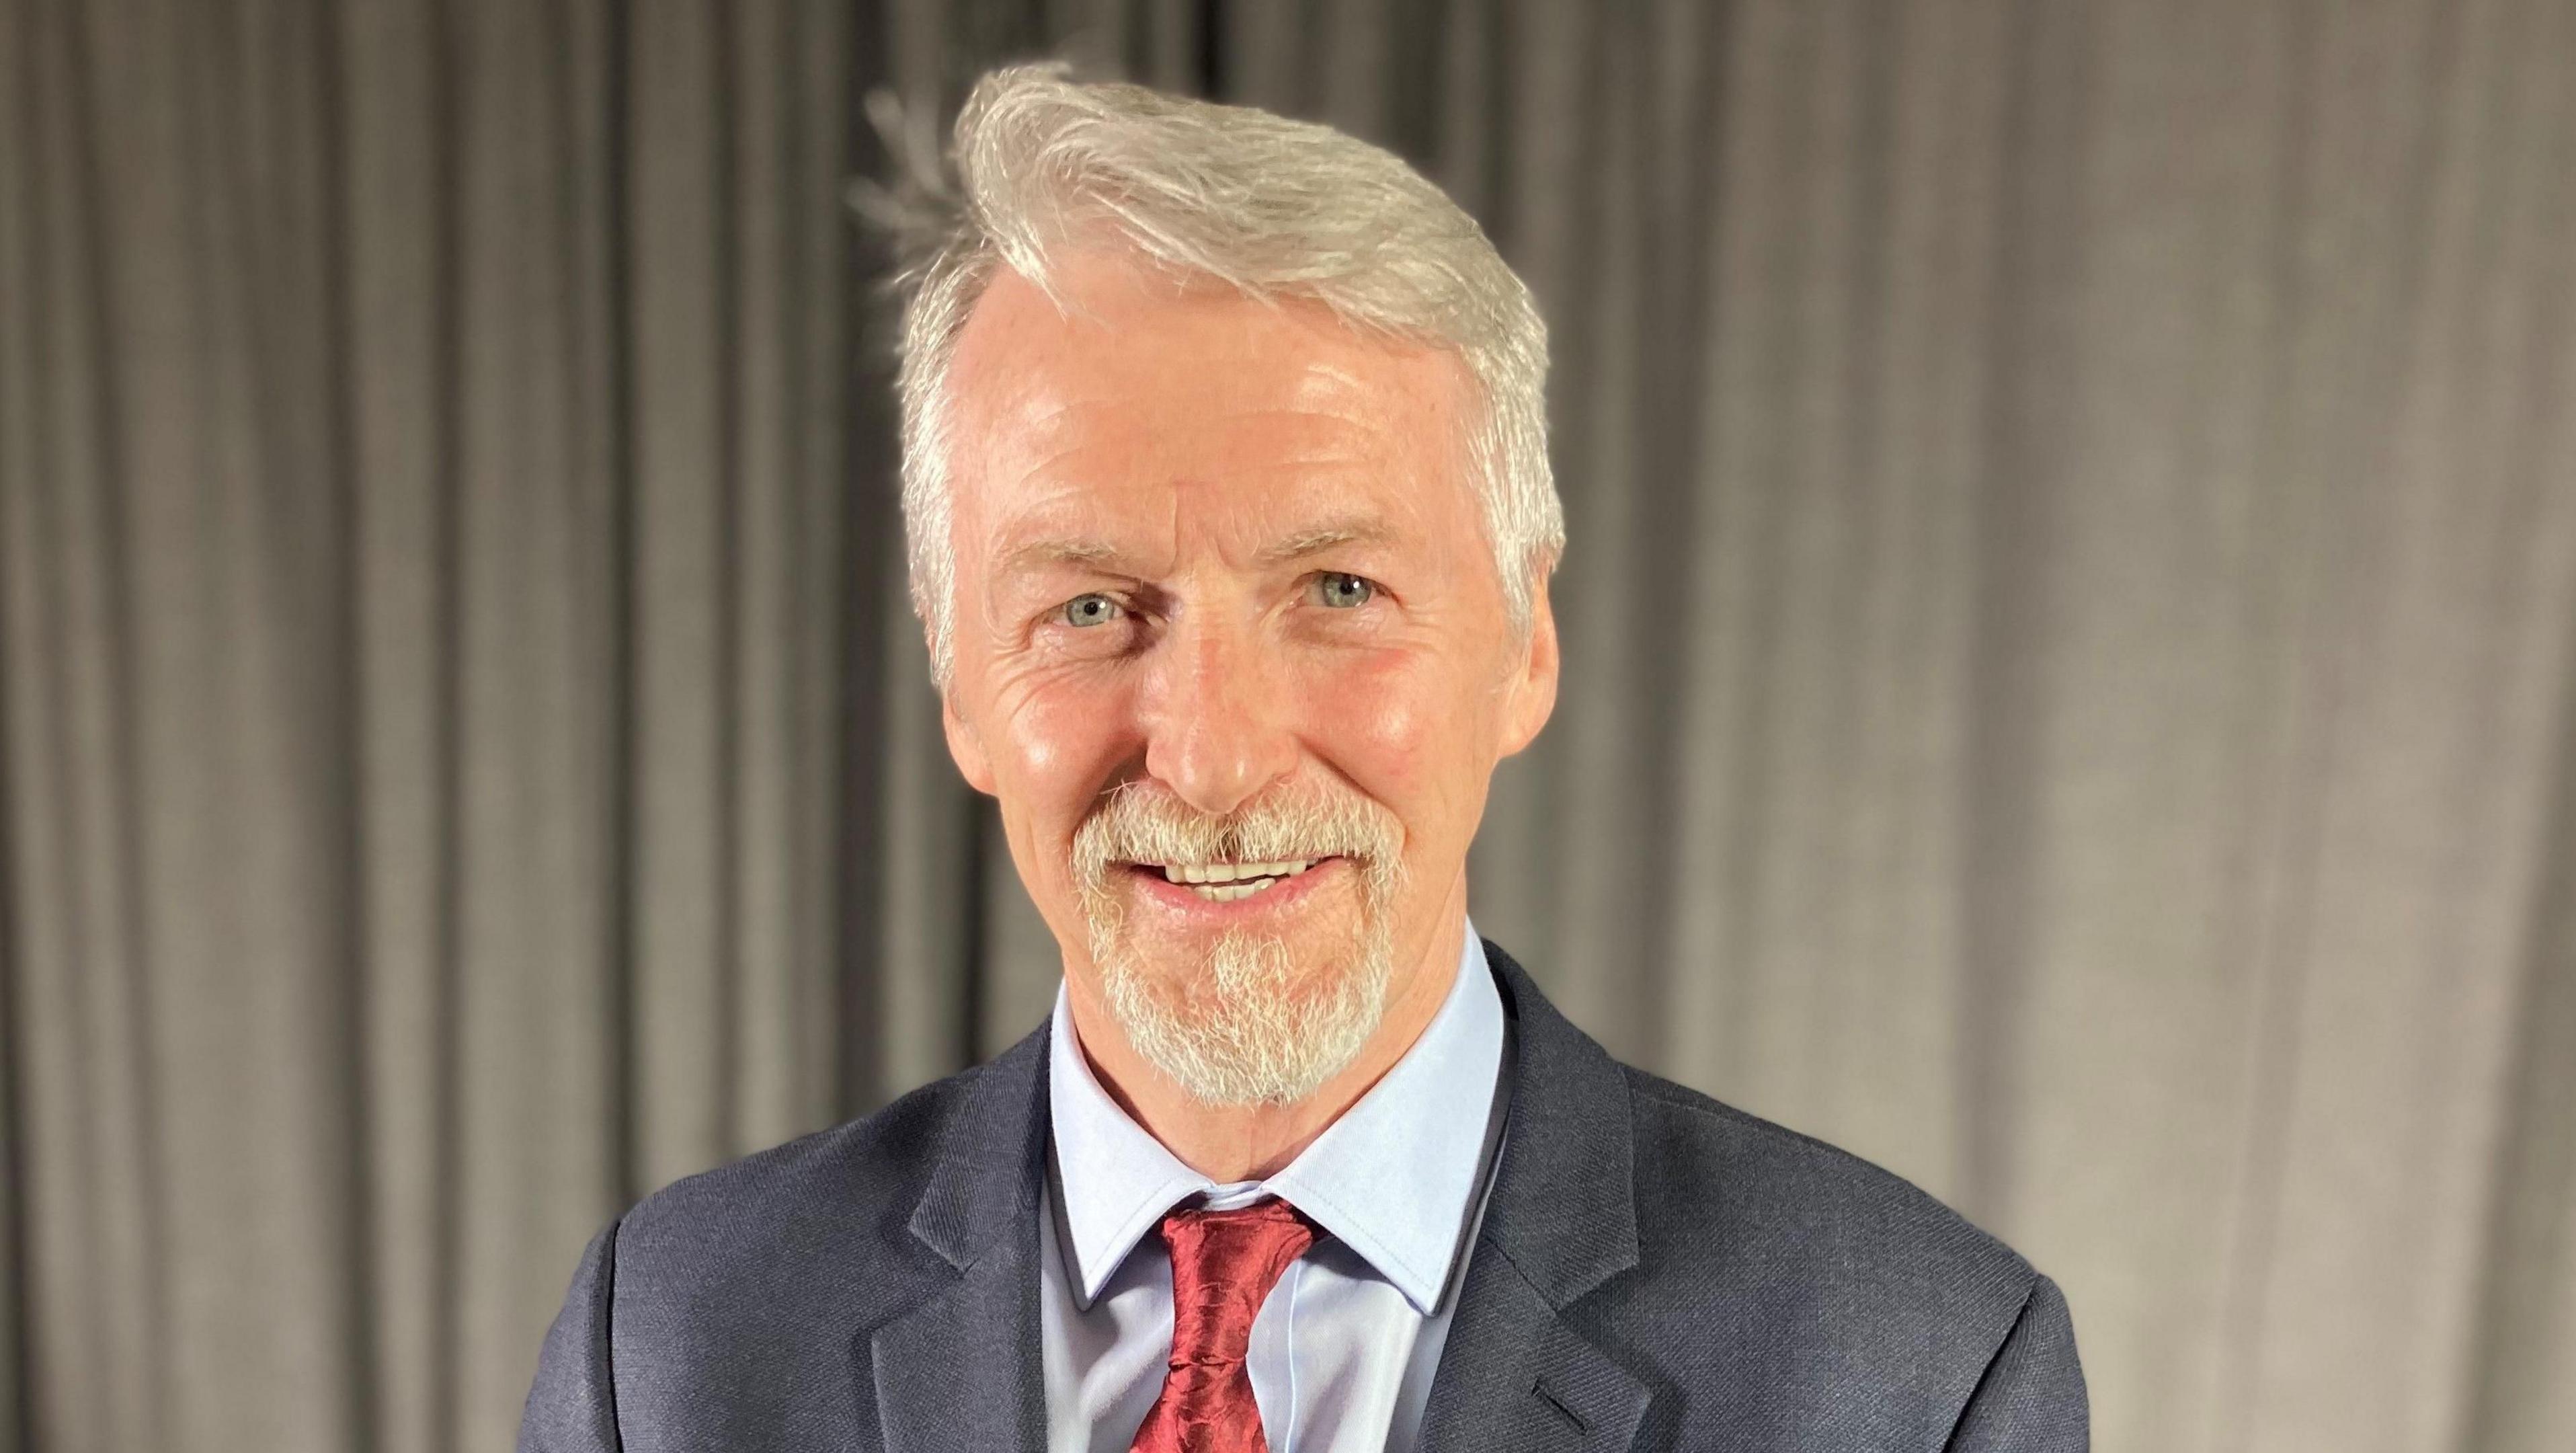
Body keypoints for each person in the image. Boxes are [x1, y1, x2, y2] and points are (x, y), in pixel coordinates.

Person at [518, 65, 2087, 1453]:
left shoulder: (1917, 1380)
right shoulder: (670, 1352)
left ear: (1525, 643)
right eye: (1089, 605)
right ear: (958, 682)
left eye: (1337, 590)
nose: (1207, 758)